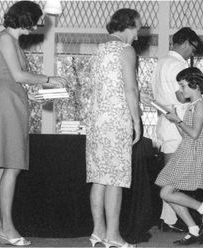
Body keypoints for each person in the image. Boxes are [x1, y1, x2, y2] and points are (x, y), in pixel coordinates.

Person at [0, 1, 66, 246]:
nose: (39, 24)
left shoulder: (9, 39)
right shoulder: (7, 39)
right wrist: (49, 79)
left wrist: (27, 94)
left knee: (4, 166)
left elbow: (10, 79)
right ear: (25, 18)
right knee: (12, 166)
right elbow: (18, 76)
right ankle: (7, 228)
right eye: (36, 19)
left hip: (10, 100)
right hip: (5, 104)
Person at [85, 8, 142, 248]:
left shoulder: (99, 49)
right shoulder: (125, 50)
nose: (138, 35)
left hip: (96, 120)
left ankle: (98, 232)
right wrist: (137, 120)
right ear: (128, 26)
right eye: (137, 28)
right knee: (116, 179)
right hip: (117, 120)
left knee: (99, 179)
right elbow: (130, 89)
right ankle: (113, 235)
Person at [154, 67, 203, 245]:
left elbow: (195, 134)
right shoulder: (193, 105)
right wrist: (175, 120)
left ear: (195, 84)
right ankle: (194, 228)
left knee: (166, 192)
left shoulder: (200, 105)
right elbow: (186, 134)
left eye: (183, 86)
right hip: (187, 149)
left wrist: (179, 121)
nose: (181, 90)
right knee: (166, 192)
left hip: (193, 152)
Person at [150, 27, 203, 232]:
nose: (192, 53)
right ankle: (174, 219)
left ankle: (170, 219)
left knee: (170, 177)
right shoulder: (178, 65)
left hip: (166, 124)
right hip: (179, 123)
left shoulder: (160, 64)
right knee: (173, 180)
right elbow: (182, 95)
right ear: (184, 43)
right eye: (192, 48)